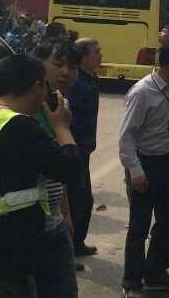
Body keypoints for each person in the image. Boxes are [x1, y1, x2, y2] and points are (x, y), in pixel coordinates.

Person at [0, 54, 82, 298]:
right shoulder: (19, 126)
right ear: (37, 87)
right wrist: (62, 127)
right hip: (2, 273)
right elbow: (70, 168)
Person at [118, 44, 169, 296]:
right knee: (139, 225)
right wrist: (136, 171)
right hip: (144, 163)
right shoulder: (142, 92)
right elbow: (126, 138)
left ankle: (156, 272)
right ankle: (132, 281)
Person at [31, 39, 83, 297]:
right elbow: (70, 165)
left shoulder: (58, 106)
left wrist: (65, 214)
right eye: (58, 64)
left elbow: (58, 170)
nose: (65, 72)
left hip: (53, 224)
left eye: (72, 67)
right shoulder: (27, 109)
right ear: (39, 64)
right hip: (28, 229)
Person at [66, 37, 102, 257]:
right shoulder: (77, 83)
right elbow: (69, 118)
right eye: (96, 52)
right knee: (78, 200)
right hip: (74, 149)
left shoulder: (89, 79)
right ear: (83, 57)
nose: (100, 55)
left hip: (83, 149)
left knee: (83, 199)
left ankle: (76, 244)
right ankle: (68, 249)